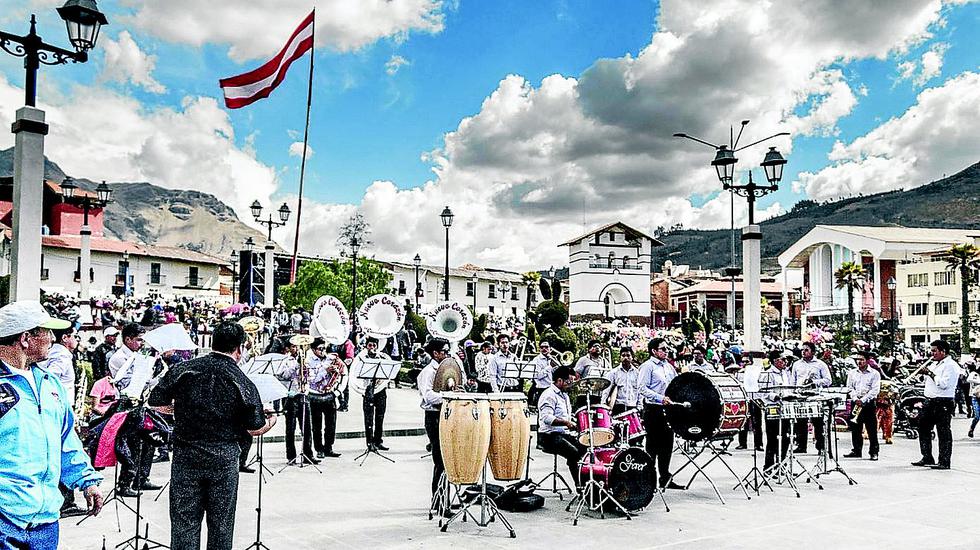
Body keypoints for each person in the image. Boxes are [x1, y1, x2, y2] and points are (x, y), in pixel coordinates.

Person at [149, 321, 275, 550]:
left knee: (184, 522)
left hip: (186, 454)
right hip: (223, 457)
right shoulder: (242, 380)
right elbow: (254, 428)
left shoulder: (184, 369)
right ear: (239, 349)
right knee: (221, 524)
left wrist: (180, 409)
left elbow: (155, 402)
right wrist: (272, 420)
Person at [0, 301, 103, 547]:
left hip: (46, 522)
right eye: (47, 331)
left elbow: (65, 438)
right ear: (26, 338)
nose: (53, 338)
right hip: (4, 519)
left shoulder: (50, 383)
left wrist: (86, 480)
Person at [637, 338, 683, 490]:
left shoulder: (669, 367)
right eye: (663, 349)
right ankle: (649, 479)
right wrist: (660, 398)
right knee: (652, 446)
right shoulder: (648, 366)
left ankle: (665, 477)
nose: (666, 351)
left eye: (666, 348)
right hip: (654, 409)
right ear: (654, 351)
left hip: (668, 410)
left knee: (667, 445)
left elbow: (675, 384)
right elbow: (642, 388)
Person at [911, 340, 960, 470]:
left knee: (943, 431)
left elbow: (943, 384)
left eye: (934, 351)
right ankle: (927, 456)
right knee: (923, 427)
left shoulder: (951, 366)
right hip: (930, 400)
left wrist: (930, 373)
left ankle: (944, 461)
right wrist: (922, 373)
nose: (931, 353)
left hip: (943, 401)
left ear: (943, 351)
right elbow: (929, 381)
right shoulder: (934, 364)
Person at [537, 365, 586, 483]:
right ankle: (580, 485)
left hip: (562, 434)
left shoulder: (564, 395)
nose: (571, 384)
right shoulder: (549, 395)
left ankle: (587, 482)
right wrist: (566, 423)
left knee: (584, 449)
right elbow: (546, 418)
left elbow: (566, 416)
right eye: (569, 381)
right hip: (548, 436)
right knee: (574, 453)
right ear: (559, 380)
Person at [276, 342, 319, 465]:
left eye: (298, 346)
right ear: (288, 348)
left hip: (303, 394)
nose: (296, 349)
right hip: (290, 396)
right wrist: (297, 365)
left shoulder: (306, 360)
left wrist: (307, 371)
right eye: (294, 346)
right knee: (290, 428)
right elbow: (284, 375)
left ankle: (308, 455)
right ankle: (291, 456)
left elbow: (311, 377)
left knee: (307, 427)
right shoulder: (285, 360)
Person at [418, 338, 450, 494]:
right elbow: (428, 396)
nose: (447, 354)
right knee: (440, 460)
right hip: (433, 416)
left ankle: (445, 499)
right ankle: (438, 499)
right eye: (445, 351)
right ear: (435, 353)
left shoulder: (446, 369)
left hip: (445, 415)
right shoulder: (428, 372)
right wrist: (447, 395)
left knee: (447, 461)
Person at [791, 342, 831, 454]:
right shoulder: (796, 364)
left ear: (813, 352)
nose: (803, 352)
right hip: (800, 396)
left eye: (806, 350)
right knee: (800, 422)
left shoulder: (820, 364)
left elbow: (828, 380)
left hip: (815, 396)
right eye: (802, 350)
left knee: (818, 422)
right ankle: (801, 445)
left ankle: (820, 446)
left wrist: (814, 382)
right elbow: (793, 381)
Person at [351, 336, 390, 452]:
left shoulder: (383, 357)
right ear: (366, 346)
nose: (372, 347)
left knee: (380, 416)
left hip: (381, 390)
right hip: (368, 390)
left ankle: (378, 441)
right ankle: (369, 442)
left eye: (374, 345)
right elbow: (356, 373)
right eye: (370, 345)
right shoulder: (361, 359)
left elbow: (388, 372)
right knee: (369, 418)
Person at [843, 351, 881, 461]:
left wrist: (863, 400)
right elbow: (849, 387)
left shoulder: (874, 373)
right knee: (855, 428)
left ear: (867, 361)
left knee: (871, 429)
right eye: (857, 360)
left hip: (868, 403)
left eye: (861, 359)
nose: (859, 362)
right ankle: (856, 450)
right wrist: (856, 398)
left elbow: (875, 390)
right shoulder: (852, 373)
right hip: (856, 402)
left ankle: (874, 452)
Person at [759, 351, 794, 470]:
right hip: (773, 408)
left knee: (786, 438)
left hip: (785, 408)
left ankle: (781, 464)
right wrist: (775, 396)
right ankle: (769, 466)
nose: (785, 362)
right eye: (783, 359)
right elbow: (762, 391)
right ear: (775, 361)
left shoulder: (786, 373)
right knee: (772, 439)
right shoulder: (767, 373)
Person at [736, 356, 764, 451]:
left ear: (751, 362)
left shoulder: (757, 372)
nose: (745, 364)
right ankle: (742, 443)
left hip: (755, 398)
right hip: (744, 399)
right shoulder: (739, 373)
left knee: (757, 423)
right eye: (743, 362)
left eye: (747, 361)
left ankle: (758, 444)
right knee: (744, 422)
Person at [109, 323, 146, 394]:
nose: (142, 343)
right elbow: (133, 383)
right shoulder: (119, 358)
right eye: (139, 340)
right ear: (128, 340)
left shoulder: (138, 354)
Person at [604, 347, 639, 414]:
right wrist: (604, 404)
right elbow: (606, 390)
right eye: (623, 355)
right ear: (620, 357)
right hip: (618, 406)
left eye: (628, 355)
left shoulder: (637, 373)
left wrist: (639, 406)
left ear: (632, 357)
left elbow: (640, 391)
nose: (625, 358)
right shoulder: (613, 373)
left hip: (633, 406)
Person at [529, 341, 556, 408]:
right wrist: (550, 367)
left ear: (550, 349)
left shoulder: (551, 359)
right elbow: (538, 376)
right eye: (542, 347)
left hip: (551, 388)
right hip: (541, 389)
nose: (544, 349)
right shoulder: (536, 360)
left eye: (546, 347)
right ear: (539, 349)